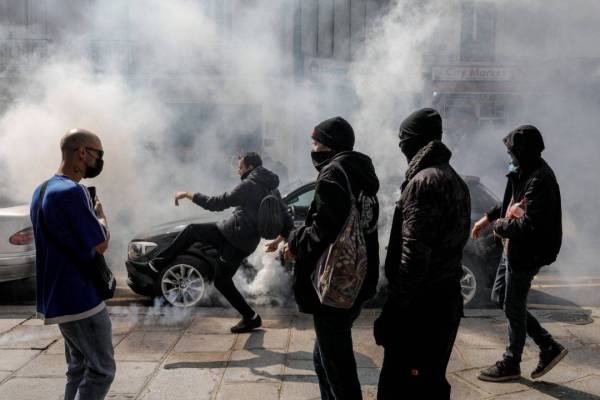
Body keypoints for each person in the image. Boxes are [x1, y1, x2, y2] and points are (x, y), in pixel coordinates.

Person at [374, 108, 471, 399]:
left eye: (402, 140)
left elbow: (413, 258)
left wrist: (393, 311)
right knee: (430, 382)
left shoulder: (423, 183)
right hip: (444, 302)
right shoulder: (453, 178)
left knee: (402, 387)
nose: (400, 147)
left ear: (412, 142)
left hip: (421, 310)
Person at [283, 116, 380, 400]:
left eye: (316, 142)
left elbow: (322, 231)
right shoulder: (359, 173)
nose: (312, 148)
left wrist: (293, 242)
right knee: (323, 358)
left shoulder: (333, 174)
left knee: (338, 366)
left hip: (333, 286)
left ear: (330, 144)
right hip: (358, 279)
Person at [150, 152, 293, 333]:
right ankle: (251, 317)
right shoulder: (272, 188)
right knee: (216, 272)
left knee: (198, 240)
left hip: (232, 239)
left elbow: (217, 203)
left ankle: (159, 262)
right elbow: (287, 222)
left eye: (240, 167)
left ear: (250, 167)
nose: (238, 170)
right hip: (240, 239)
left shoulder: (249, 185)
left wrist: (188, 194)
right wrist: (278, 240)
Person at [474, 125, 566, 382]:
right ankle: (548, 346)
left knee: (513, 305)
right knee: (504, 298)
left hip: (528, 252)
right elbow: (508, 203)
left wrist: (500, 225)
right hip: (512, 248)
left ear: (525, 152)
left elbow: (530, 225)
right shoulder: (522, 171)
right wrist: (487, 219)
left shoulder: (540, 179)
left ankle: (512, 361)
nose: (510, 156)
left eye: (513, 151)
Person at [30, 129, 115, 400]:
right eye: (98, 154)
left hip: (57, 298)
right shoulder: (71, 191)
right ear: (82, 152)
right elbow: (100, 243)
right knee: (102, 370)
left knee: (77, 369)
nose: (99, 160)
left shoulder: (42, 189)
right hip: (81, 299)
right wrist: (101, 217)